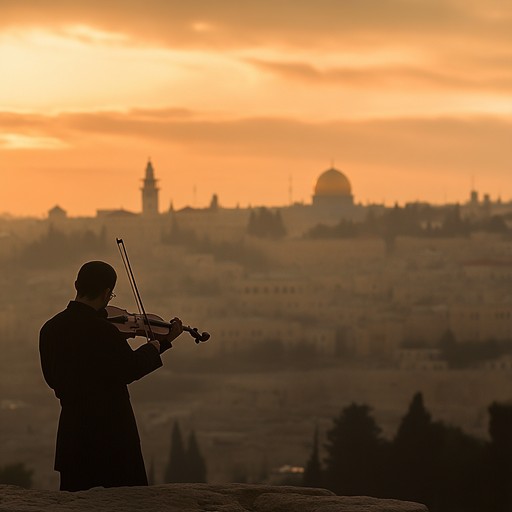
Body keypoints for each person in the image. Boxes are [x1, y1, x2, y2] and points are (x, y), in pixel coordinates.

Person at [39, 261, 183, 491]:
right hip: (112, 436)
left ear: (77, 285)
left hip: (73, 435)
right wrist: (161, 344)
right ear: (107, 293)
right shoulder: (103, 330)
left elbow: (52, 379)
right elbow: (130, 368)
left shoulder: (49, 329)